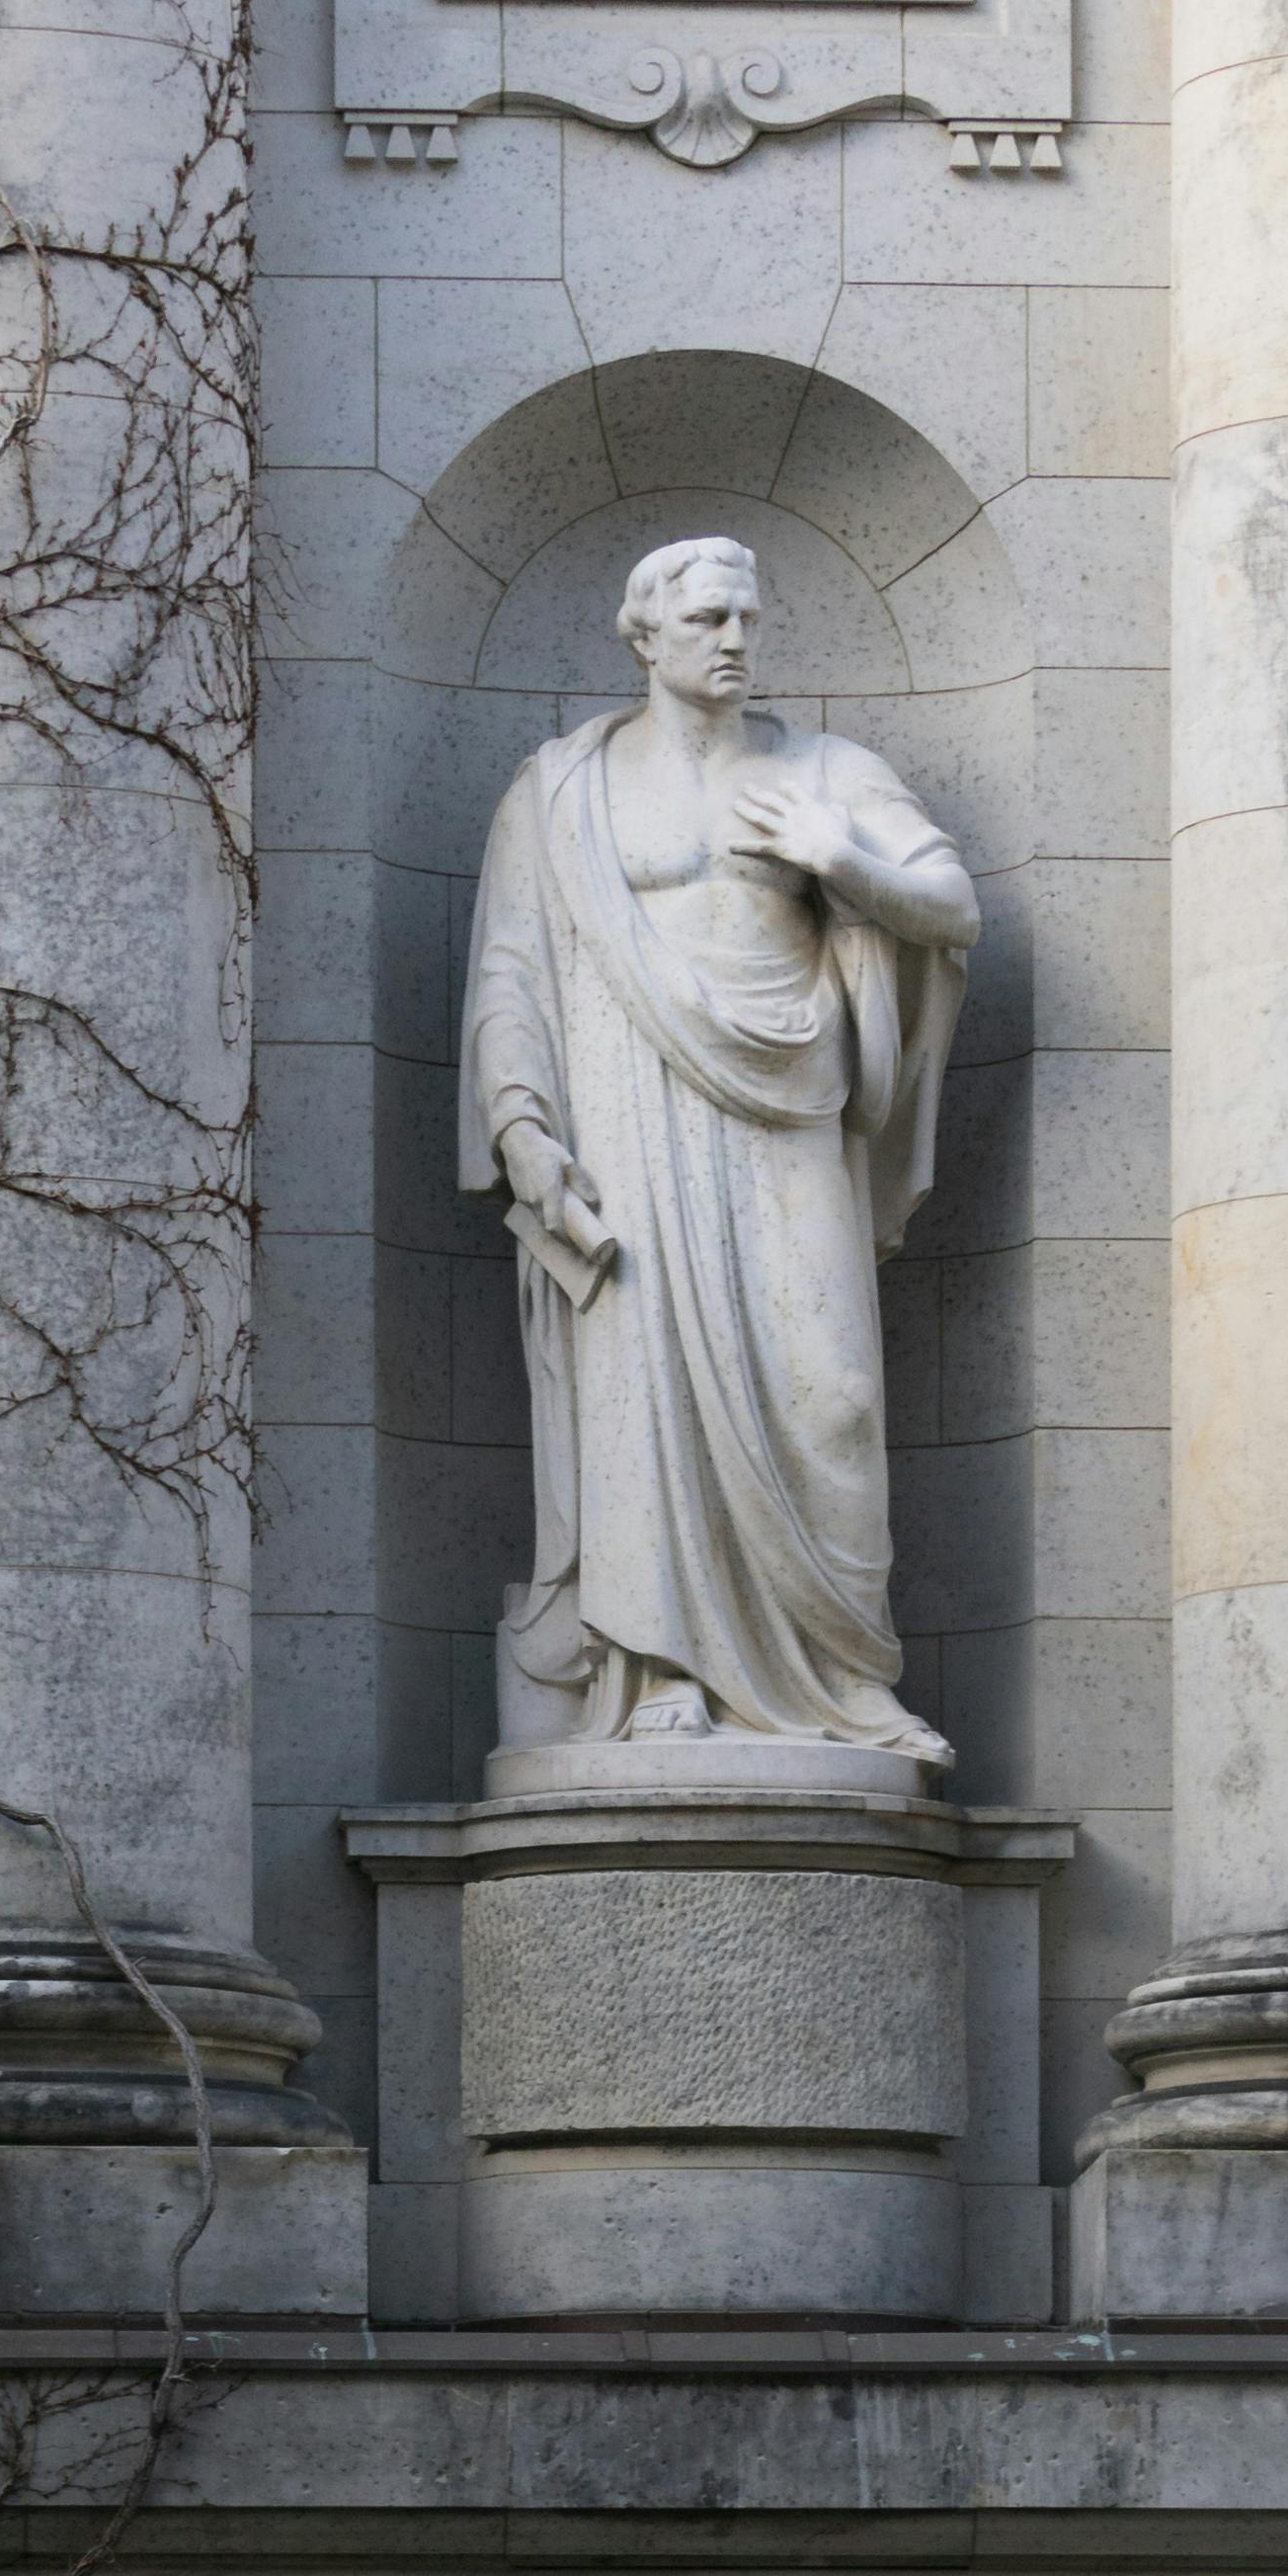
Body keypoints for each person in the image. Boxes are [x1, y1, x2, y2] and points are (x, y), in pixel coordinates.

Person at [456, 532, 978, 1758]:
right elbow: (511, 970)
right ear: (644, 635)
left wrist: (838, 859)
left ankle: (846, 1678)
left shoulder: (828, 772)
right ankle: (660, 1673)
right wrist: (526, 1136)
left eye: (748, 618)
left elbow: (951, 908)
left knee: (833, 1394)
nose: (736, 639)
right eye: (707, 621)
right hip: (627, 1118)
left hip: (791, 1112)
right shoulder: (559, 789)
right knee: (640, 1394)